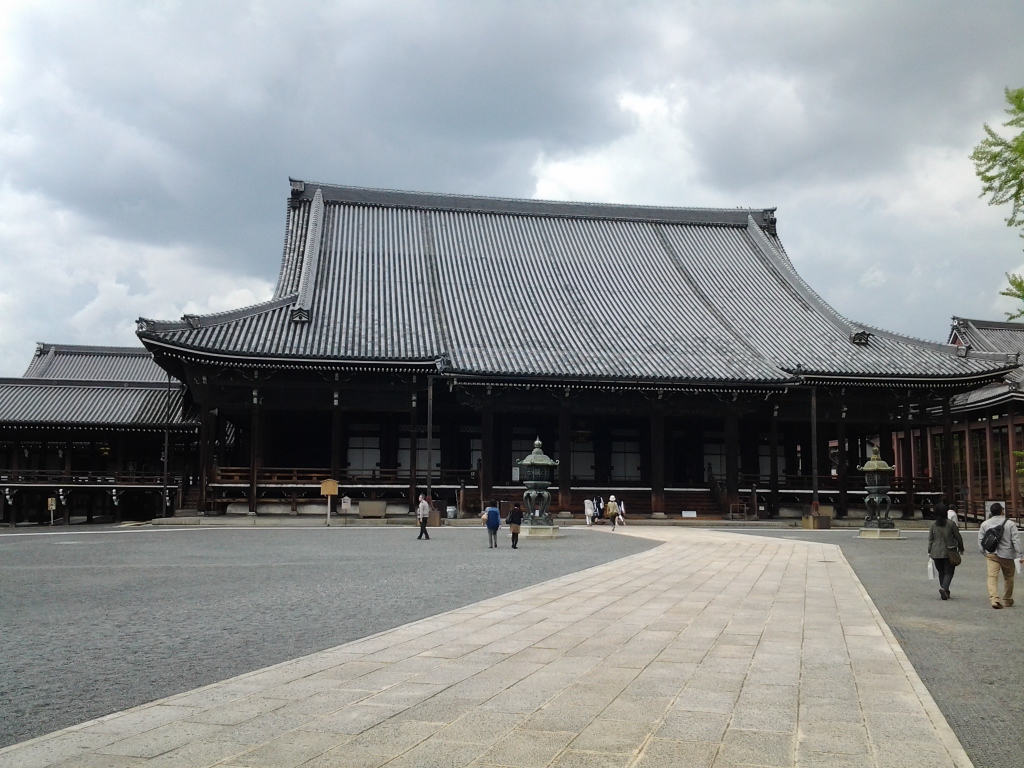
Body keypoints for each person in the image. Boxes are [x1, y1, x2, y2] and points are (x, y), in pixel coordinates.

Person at [977, 503, 1024, 609]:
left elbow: (980, 541)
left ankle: (994, 599)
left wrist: (985, 553)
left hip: (992, 554)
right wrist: (1019, 554)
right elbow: (1016, 540)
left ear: (991, 512)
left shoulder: (985, 524)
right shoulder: (1010, 524)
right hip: (1007, 555)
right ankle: (1007, 599)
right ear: (1002, 511)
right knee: (1009, 578)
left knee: (992, 577)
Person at [928, 512, 963, 600]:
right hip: (948, 550)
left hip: (935, 551)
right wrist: (961, 547)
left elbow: (930, 539)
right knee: (949, 571)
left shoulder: (933, 524)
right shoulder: (951, 524)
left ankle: (945, 590)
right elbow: (957, 536)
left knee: (941, 571)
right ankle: (944, 588)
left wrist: (929, 550)